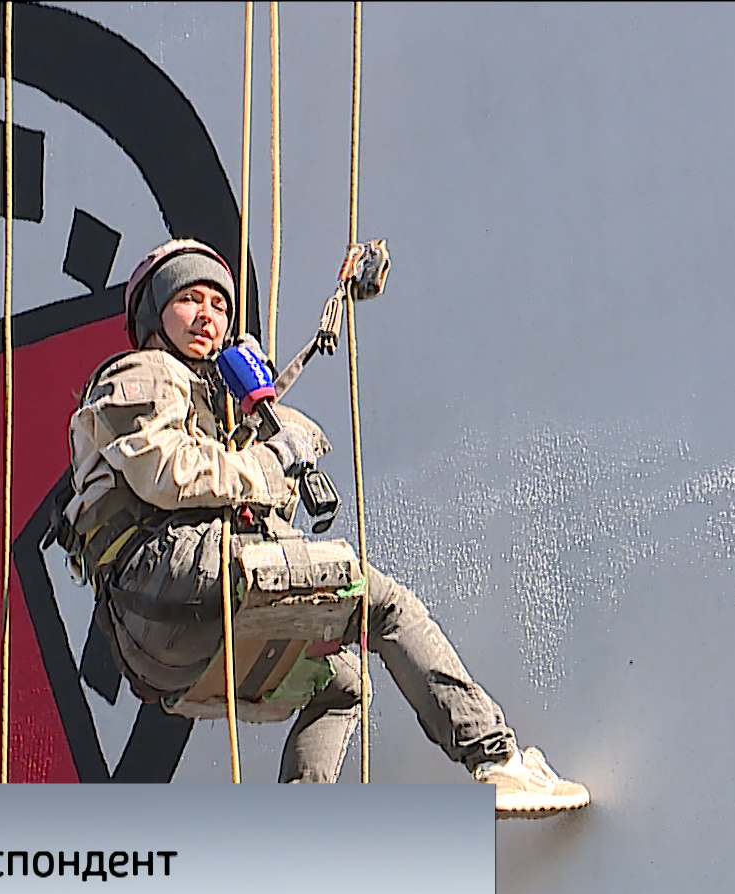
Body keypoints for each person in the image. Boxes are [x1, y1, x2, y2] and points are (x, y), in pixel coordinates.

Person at [59, 239, 588, 811]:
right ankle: (496, 758)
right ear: (153, 314)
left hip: (163, 633)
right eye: (188, 299)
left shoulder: (208, 400)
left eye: (219, 303)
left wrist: (260, 428)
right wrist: (273, 458)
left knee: (344, 683)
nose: (207, 315)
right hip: (170, 575)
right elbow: (168, 472)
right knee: (385, 605)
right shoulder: (145, 370)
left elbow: (225, 494)